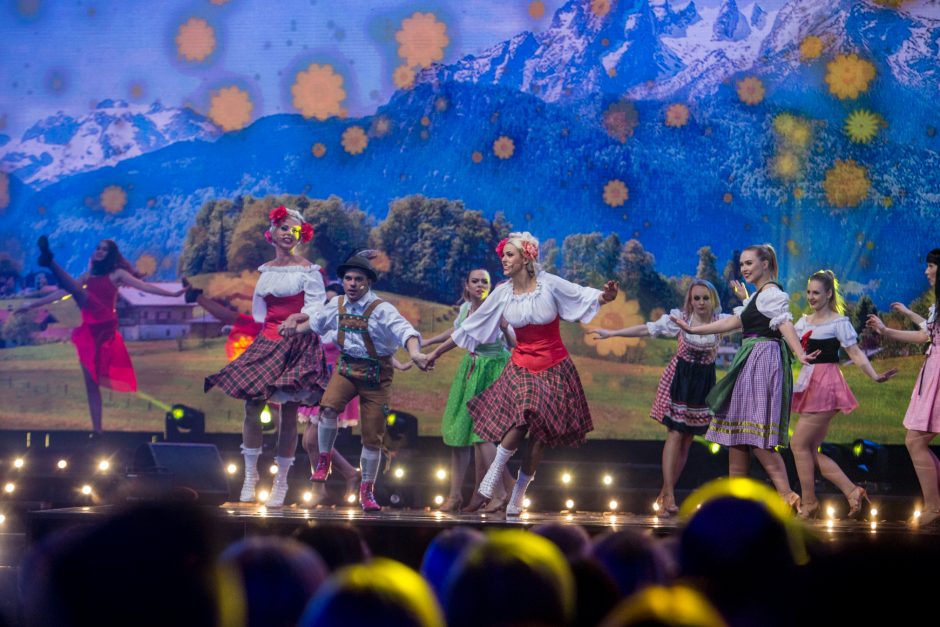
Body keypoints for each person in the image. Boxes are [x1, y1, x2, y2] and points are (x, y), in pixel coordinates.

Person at [427, 232, 618, 516]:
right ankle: (492, 477)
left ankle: (517, 494)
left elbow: (580, 296)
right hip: (520, 364)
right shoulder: (503, 292)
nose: (504, 260)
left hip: (553, 364)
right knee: (522, 417)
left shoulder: (549, 284)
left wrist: (605, 297)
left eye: (510, 255)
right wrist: (435, 353)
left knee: (539, 435)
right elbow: (470, 327)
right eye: (503, 255)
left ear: (526, 257)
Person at [671, 245, 816, 509]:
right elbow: (732, 323)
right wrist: (694, 328)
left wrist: (800, 353)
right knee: (737, 435)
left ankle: (787, 495)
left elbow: (783, 323)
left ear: (766, 263)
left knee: (754, 434)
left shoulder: (772, 293)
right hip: (751, 359)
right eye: (742, 264)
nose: (745, 268)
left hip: (762, 360)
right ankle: (736, 501)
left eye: (749, 263)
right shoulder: (758, 296)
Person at [204, 205, 328, 508]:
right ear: (271, 232)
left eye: (294, 229)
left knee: (288, 413)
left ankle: (281, 480)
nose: (288, 233)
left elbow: (317, 308)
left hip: (296, 340)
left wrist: (297, 319)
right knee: (252, 403)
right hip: (269, 339)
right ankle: (250, 474)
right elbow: (261, 312)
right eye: (283, 227)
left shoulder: (308, 271)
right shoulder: (266, 271)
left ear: (301, 235)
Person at [292, 254, 430, 511]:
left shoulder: (382, 309)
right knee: (328, 407)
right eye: (348, 279)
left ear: (368, 283)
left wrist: (415, 353)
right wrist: (294, 329)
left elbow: (406, 332)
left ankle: (367, 491)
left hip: (377, 375)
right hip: (346, 368)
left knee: (372, 438)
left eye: (358, 279)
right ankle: (324, 460)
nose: (352, 284)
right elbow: (316, 323)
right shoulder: (337, 304)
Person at [590, 279, 730, 516]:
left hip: (703, 382)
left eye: (705, 298)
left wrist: (747, 296)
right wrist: (612, 333)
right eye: (696, 298)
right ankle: (670, 494)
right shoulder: (680, 319)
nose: (701, 302)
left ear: (712, 299)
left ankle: (665, 492)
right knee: (675, 434)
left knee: (687, 440)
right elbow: (647, 328)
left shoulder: (722, 321)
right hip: (681, 379)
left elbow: (751, 318)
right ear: (690, 300)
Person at [19, 237, 184, 433]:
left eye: (104, 250)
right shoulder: (87, 276)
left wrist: (173, 295)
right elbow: (60, 293)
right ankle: (97, 430)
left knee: (80, 293)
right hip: (89, 330)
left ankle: (50, 262)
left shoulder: (117, 274)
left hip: (104, 324)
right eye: (97, 248)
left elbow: (144, 287)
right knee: (91, 383)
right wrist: (31, 304)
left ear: (110, 255)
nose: (99, 251)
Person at [790, 270, 896, 519]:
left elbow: (856, 353)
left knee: (798, 444)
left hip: (826, 386)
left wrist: (875, 375)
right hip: (807, 384)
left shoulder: (838, 322)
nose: (811, 297)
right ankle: (851, 491)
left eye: (816, 292)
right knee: (808, 450)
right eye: (808, 292)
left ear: (828, 293)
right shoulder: (803, 322)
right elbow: (788, 342)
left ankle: (809, 502)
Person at [422, 268, 516, 512]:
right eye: (475, 281)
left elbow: (514, 343)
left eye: (484, 281)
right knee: (459, 433)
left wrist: (505, 327)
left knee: (481, 435)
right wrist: (429, 342)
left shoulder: (496, 307)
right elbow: (458, 332)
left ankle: (501, 489)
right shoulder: (466, 308)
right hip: (471, 369)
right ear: (467, 285)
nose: (479, 285)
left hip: (494, 368)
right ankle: (458, 496)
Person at [867, 249, 940, 527]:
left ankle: (934, 507)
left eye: (931, 266)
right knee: (916, 440)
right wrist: (901, 319)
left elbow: (926, 334)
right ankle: (935, 505)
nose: (926, 271)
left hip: (937, 372)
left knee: (915, 440)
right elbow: (928, 331)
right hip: (933, 370)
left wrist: (887, 331)